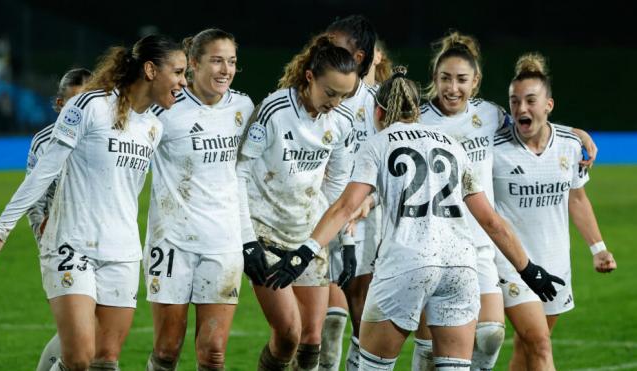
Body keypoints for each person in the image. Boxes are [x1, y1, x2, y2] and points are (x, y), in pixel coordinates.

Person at [295, 66, 563, 371]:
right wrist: (529, 270)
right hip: (460, 266)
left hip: (406, 262)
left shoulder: (377, 145)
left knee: (370, 365)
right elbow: (491, 221)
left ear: (378, 111)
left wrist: (306, 251)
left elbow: (344, 207)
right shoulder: (452, 145)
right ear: (417, 110)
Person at [0, 35, 187, 371]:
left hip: (123, 254)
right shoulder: (90, 106)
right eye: (178, 71)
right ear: (150, 70)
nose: (183, 81)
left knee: (106, 361)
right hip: (72, 245)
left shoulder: (153, 127)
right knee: (78, 358)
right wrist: (2, 228)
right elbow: (44, 171)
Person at [412, 31, 597, 371]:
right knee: (429, 347)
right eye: (445, 79)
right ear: (434, 79)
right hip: (432, 243)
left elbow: (531, 125)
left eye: (462, 80)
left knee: (491, 335)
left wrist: (574, 133)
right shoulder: (416, 120)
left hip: (481, 243)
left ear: (475, 82)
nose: (453, 88)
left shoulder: (490, 116)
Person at [237, 34, 357, 371]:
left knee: (312, 339)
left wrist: (345, 241)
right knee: (289, 333)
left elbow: (337, 187)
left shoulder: (342, 122)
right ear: (309, 78)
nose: (335, 102)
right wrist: (247, 241)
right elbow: (240, 173)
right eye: (329, 92)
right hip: (265, 235)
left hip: (309, 236)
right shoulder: (274, 110)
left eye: (343, 96)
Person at [492, 53, 617, 370]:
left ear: (549, 105)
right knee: (540, 345)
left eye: (530, 100)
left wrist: (598, 248)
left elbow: (577, 199)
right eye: (514, 101)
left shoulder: (570, 145)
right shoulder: (494, 148)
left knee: (526, 348)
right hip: (511, 263)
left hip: (555, 263)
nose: (521, 108)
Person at [143, 29, 254, 371]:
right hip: (171, 242)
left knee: (214, 353)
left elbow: (251, 170)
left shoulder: (243, 106)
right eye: (217, 60)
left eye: (232, 62)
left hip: (223, 244)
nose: (226, 70)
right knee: (166, 350)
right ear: (193, 63)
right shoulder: (163, 111)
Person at [321, 15, 381, 371]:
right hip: (315, 214)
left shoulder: (378, 105)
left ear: (358, 58)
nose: (325, 50)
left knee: (360, 305)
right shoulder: (309, 94)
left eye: (335, 45)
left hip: (364, 219)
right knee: (320, 326)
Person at [26, 67, 93, 371]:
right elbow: (34, 198)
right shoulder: (45, 142)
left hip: (105, 243)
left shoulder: (106, 136)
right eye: (73, 103)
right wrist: (45, 243)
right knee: (84, 336)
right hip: (64, 246)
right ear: (58, 104)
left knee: (89, 332)